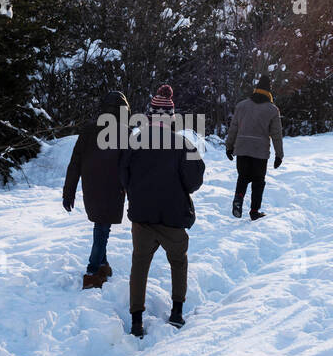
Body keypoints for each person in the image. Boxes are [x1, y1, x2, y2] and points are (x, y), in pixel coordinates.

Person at [119, 84, 205, 338]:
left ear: (149, 116)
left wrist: (138, 194)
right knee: (178, 262)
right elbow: (194, 182)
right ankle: (177, 312)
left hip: (142, 217)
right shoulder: (183, 144)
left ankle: (137, 321)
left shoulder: (134, 142)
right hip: (173, 216)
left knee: (139, 265)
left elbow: (123, 177)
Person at [63, 90, 129, 289]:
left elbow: (75, 163)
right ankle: (92, 272)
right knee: (102, 228)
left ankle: (102, 264)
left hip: (92, 188)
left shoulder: (88, 130)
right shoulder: (124, 132)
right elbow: (130, 165)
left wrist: (69, 191)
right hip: (113, 188)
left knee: (102, 226)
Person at [225, 73, 284, 220]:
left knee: (242, 177)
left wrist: (229, 146)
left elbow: (234, 128)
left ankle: (238, 198)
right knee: (258, 181)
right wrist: (279, 155)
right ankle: (254, 211)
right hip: (260, 152)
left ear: (256, 89)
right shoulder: (272, 110)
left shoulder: (241, 106)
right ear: (269, 92)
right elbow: (276, 134)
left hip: (242, 148)